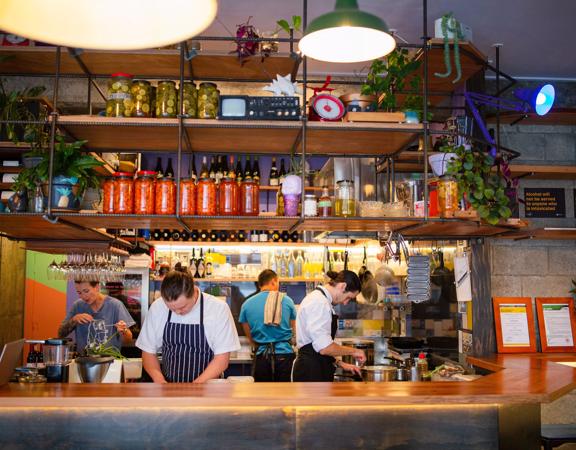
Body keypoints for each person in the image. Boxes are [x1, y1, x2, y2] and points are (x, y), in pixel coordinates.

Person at [136, 270, 240, 383]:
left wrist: (195, 387)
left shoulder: (218, 309)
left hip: (208, 387)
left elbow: (222, 359)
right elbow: (148, 352)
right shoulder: (157, 307)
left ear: (194, 292)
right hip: (169, 387)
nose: (177, 312)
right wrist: (160, 381)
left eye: (182, 307)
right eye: (171, 308)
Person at [292, 270, 366, 382]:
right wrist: (354, 351)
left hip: (316, 368)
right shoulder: (319, 302)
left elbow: (317, 345)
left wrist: (340, 363)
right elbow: (324, 348)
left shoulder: (322, 300)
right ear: (342, 286)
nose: (346, 303)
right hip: (311, 372)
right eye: (348, 297)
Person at [239, 269, 297, 382]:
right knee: (286, 394)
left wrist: (258, 343)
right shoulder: (287, 300)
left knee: (263, 395)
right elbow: (293, 328)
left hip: (262, 355)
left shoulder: (247, 304)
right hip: (285, 355)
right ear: (274, 281)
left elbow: (248, 332)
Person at [58, 280, 135, 353]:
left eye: (86, 291)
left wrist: (123, 330)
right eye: (79, 293)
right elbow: (61, 334)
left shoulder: (115, 305)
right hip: (83, 361)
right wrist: (74, 320)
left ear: (97, 287)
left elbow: (128, 340)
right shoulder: (78, 306)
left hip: (110, 360)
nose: (83, 296)